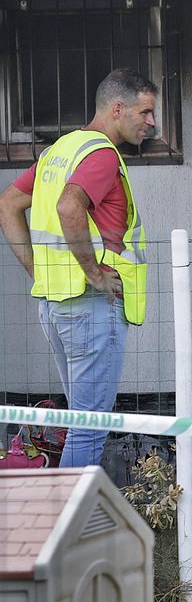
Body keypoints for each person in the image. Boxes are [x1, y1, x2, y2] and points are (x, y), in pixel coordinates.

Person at [0, 69, 159, 468]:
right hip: (91, 306)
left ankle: (68, 521)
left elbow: (8, 205)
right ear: (117, 109)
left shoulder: (59, 151)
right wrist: (93, 273)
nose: (152, 122)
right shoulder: (101, 154)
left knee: (80, 421)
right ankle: (72, 527)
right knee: (89, 428)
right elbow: (70, 207)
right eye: (146, 111)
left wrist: (39, 269)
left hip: (56, 305)